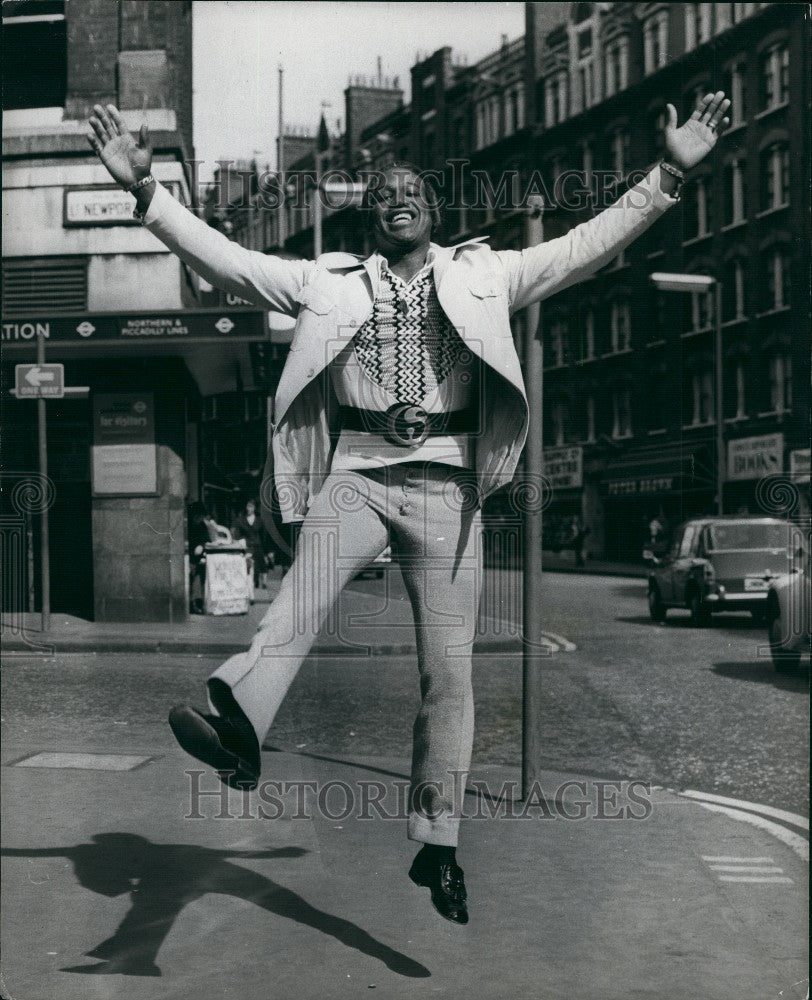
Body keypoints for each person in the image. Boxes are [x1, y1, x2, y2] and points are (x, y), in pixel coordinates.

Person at [88, 91, 730, 924]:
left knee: (448, 675)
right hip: (355, 469)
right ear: (370, 215)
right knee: (296, 606)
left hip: (448, 481)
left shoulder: (488, 273)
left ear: (432, 211)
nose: (398, 199)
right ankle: (240, 729)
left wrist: (667, 174)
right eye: (383, 193)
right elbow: (227, 259)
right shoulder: (326, 282)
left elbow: (585, 247)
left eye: (412, 192)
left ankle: (438, 843)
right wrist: (147, 195)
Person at [231, 498, 270, 589]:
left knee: (261, 564)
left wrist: (267, 550)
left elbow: (264, 535)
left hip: (257, 545)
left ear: (254, 508)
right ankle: (251, 583)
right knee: (249, 566)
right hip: (247, 546)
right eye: (247, 506)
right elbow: (237, 533)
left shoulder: (259, 520)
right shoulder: (241, 520)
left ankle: (263, 582)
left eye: (251, 506)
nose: (248, 508)